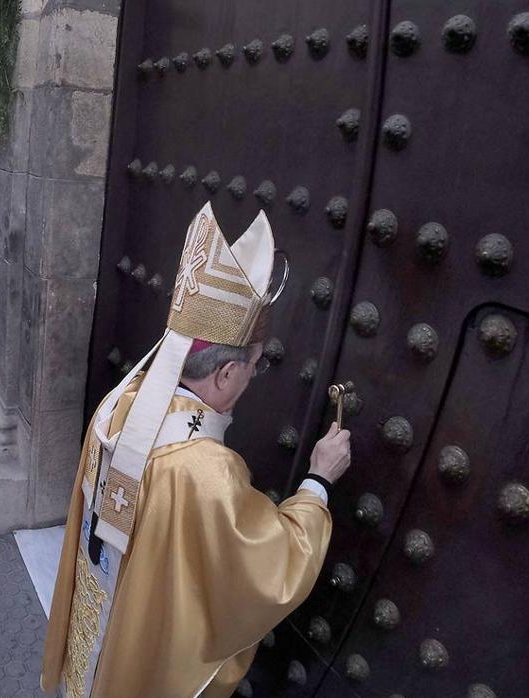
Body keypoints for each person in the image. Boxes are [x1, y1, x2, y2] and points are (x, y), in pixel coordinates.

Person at [40, 204, 352, 697]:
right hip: (139, 645)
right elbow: (270, 571)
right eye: (254, 365)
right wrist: (317, 482)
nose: (252, 376)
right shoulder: (205, 468)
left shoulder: (120, 401)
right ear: (225, 373)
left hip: (101, 613)